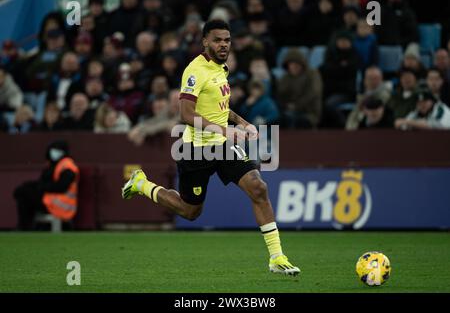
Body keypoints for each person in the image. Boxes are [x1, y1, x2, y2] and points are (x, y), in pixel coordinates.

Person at [121, 20, 300, 276]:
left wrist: (242, 122)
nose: (224, 44)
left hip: (224, 146)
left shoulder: (221, 68)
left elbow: (220, 108)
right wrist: (226, 129)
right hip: (196, 150)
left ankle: (277, 257)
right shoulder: (195, 71)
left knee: (258, 187)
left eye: (227, 40)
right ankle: (142, 184)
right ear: (205, 41)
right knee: (190, 211)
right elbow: (185, 114)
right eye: (218, 40)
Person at [13, 140, 79, 230]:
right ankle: (26, 226)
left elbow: (61, 186)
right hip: (52, 201)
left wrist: (42, 187)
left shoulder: (67, 166)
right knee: (24, 191)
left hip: (61, 205)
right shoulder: (54, 165)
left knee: (24, 194)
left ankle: (24, 227)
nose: (54, 153)